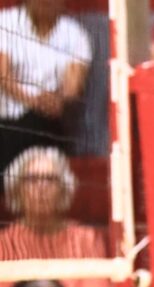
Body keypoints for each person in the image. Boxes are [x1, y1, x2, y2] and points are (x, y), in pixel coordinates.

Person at [0, 146, 111, 287]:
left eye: (50, 180)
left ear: (64, 189)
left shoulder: (86, 239)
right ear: (17, 190)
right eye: (32, 180)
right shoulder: (4, 242)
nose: (41, 188)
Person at [0, 0, 92, 181]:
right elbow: (3, 75)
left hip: (48, 119)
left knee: (44, 126)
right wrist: (33, 100)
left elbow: (73, 85)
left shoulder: (75, 34)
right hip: (7, 119)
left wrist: (57, 99)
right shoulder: (5, 22)